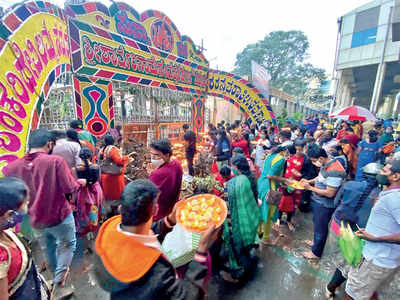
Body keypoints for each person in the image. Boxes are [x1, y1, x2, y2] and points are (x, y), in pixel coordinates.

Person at [93, 179, 220, 299]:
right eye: (156, 202)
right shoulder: (156, 275)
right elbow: (187, 296)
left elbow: (145, 233)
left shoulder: (113, 230)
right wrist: (201, 252)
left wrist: (169, 220)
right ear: (155, 209)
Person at [3, 129, 86, 298]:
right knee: (67, 244)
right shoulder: (55, 162)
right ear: (49, 144)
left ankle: (55, 277)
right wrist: (80, 182)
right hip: (59, 216)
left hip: (35, 218)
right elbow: (69, 187)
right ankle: (60, 281)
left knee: (48, 246)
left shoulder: (10, 168)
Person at [325, 162, 382, 298]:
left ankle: (332, 286)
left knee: (344, 260)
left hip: (338, 226)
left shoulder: (349, 185)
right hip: (358, 233)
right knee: (350, 261)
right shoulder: (381, 195)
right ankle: (332, 286)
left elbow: (335, 203)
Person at [345, 159, 400, 300]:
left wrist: (375, 238)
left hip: (375, 260)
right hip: (386, 260)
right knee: (370, 293)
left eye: (384, 171)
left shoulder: (395, 199)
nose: (380, 173)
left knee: (352, 294)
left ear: (395, 176)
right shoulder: (390, 194)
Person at [0, 177, 51, 299]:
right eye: (25, 204)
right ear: (9, 214)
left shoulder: (5, 230)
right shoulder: (1, 255)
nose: (28, 206)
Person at [220, 154, 260, 283]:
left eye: (232, 166)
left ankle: (238, 273)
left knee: (236, 248)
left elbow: (227, 206)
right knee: (244, 248)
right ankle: (246, 264)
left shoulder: (232, 184)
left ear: (237, 167)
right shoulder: (248, 178)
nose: (231, 169)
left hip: (236, 223)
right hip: (248, 219)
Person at [301, 144, 346, 259]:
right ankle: (316, 242)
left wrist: (310, 188)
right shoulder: (327, 162)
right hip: (319, 201)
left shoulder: (334, 170)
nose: (313, 163)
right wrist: (309, 181)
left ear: (320, 158)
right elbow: (320, 177)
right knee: (317, 224)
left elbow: (330, 193)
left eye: (313, 161)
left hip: (325, 204)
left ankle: (315, 253)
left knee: (321, 227)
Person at [258, 145, 288, 244]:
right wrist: (286, 180)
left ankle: (258, 231)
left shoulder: (269, 156)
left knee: (261, 210)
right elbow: (270, 175)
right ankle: (266, 238)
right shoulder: (281, 159)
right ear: (284, 151)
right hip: (270, 189)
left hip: (261, 185)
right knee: (268, 213)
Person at [148, 139, 183, 221]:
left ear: (167, 155)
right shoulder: (176, 163)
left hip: (158, 215)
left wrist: (151, 174)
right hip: (171, 210)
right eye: (151, 154)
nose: (152, 158)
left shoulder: (157, 174)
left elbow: (148, 194)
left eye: (157, 155)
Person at [75, 147, 103, 237]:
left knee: (83, 210)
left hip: (83, 192)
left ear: (80, 156)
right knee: (94, 209)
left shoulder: (77, 168)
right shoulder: (96, 167)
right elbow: (98, 179)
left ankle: (84, 228)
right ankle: (93, 227)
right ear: (91, 156)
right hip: (95, 191)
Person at [100, 134, 131, 216]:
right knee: (117, 197)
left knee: (109, 197)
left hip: (105, 176)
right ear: (114, 141)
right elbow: (119, 161)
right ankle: (115, 216)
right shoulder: (112, 149)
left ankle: (108, 215)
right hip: (114, 177)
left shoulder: (102, 149)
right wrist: (127, 158)